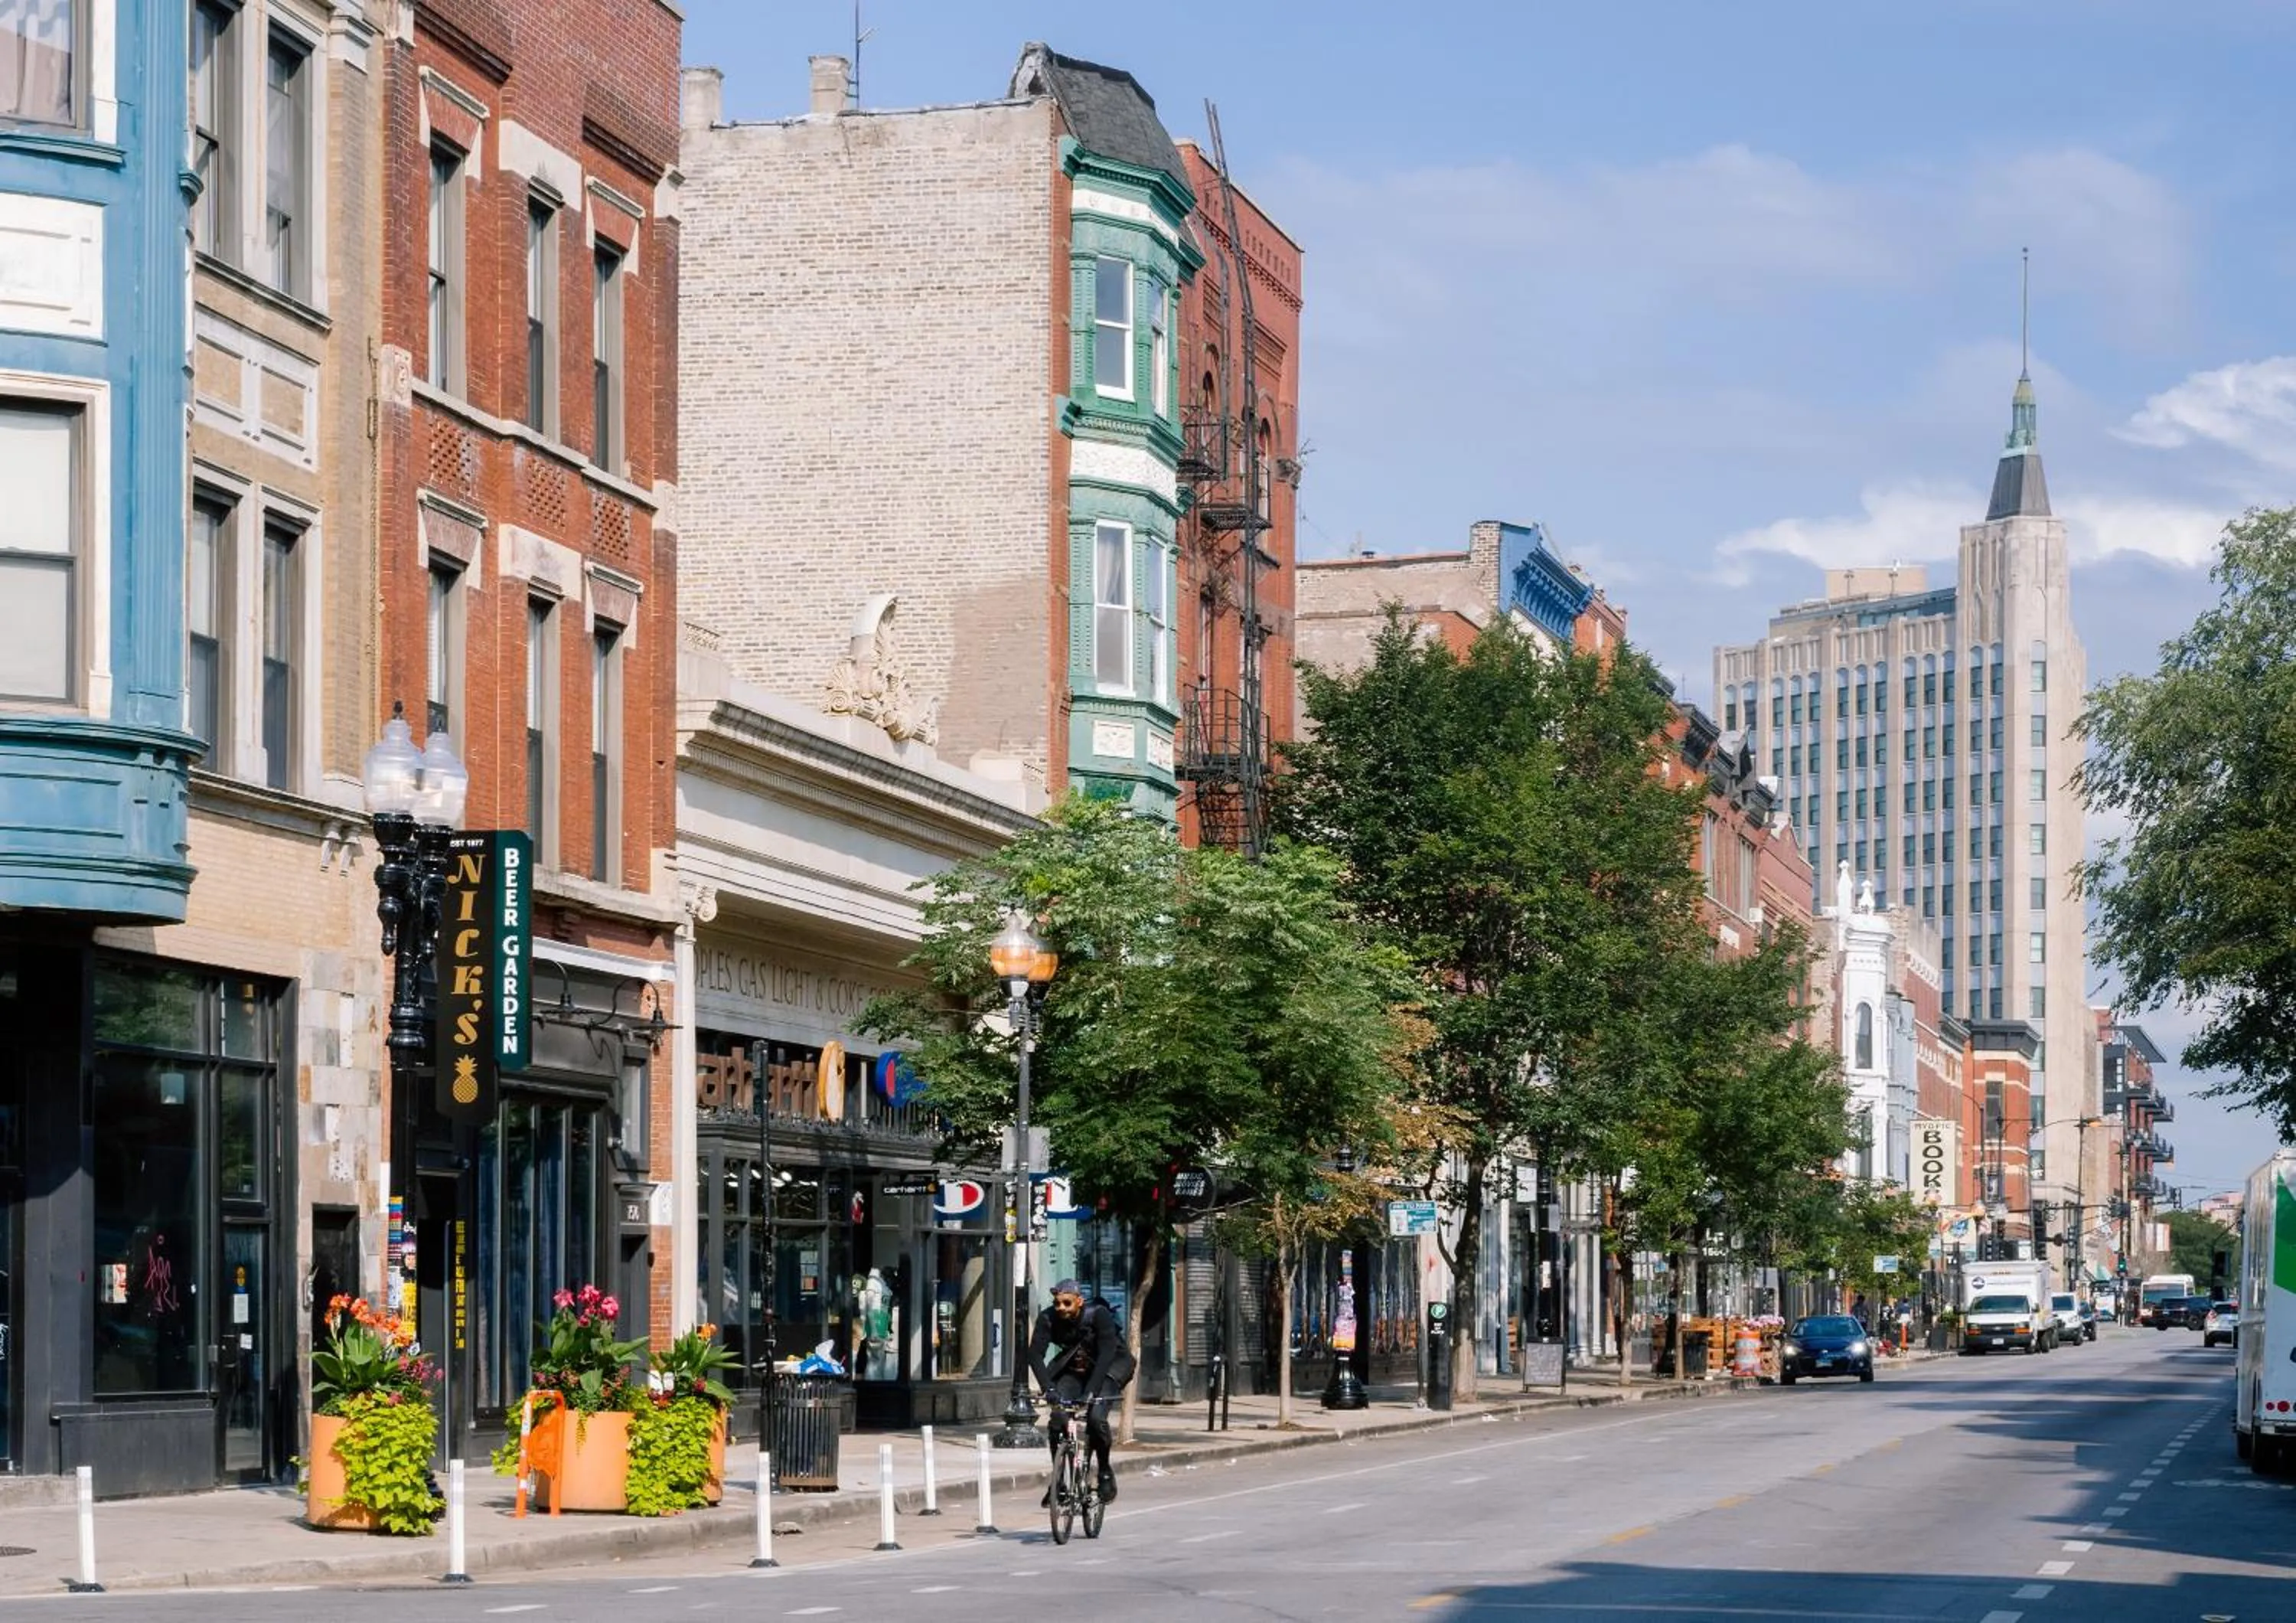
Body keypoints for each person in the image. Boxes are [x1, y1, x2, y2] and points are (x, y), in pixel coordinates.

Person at [1028, 1278, 1133, 1505]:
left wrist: (1091, 1392)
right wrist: (1049, 1388)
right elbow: (1035, 1355)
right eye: (1057, 1303)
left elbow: (1106, 1354)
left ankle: (1104, 1470)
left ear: (1079, 1301)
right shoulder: (1048, 1318)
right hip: (1075, 1369)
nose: (1061, 1308)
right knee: (1058, 1417)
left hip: (1108, 1368)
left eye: (1067, 1303)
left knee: (1096, 1418)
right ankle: (1058, 1481)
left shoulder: (1098, 1315)